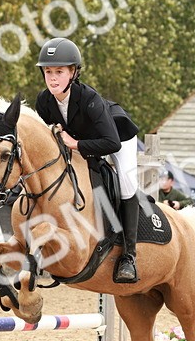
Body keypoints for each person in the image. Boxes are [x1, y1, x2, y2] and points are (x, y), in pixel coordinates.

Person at [33, 37, 142, 284]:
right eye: (48, 71)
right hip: (84, 140)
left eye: (59, 71)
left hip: (116, 136)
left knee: (124, 181)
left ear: (73, 72)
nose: (52, 77)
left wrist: (75, 144)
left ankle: (129, 257)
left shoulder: (89, 99)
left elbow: (111, 143)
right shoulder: (44, 100)